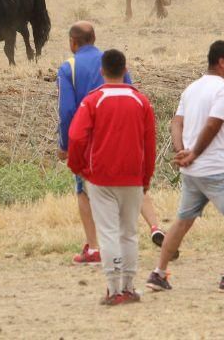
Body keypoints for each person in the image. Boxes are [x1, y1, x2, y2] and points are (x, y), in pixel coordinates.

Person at [145, 40, 224, 294]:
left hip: (193, 171)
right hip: (216, 167)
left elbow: (176, 122)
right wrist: (194, 153)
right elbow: (213, 125)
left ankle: (159, 273)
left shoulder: (192, 88)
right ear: (222, 63)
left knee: (183, 221)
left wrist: (180, 151)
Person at [57, 22, 167, 264]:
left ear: (73, 43)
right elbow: (130, 92)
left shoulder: (69, 67)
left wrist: (65, 144)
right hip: (124, 131)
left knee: (83, 191)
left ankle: (94, 247)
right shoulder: (111, 60)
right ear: (94, 38)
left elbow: (66, 111)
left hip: (91, 140)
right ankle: (155, 226)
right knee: (135, 180)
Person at [68, 49, 156, 306]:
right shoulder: (141, 101)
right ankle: (128, 287)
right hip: (133, 177)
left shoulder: (92, 101)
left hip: (100, 178)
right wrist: (146, 176)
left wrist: (79, 166)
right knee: (129, 232)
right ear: (125, 68)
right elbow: (149, 143)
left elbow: (76, 137)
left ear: (102, 71)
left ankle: (113, 289)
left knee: (108, 232)